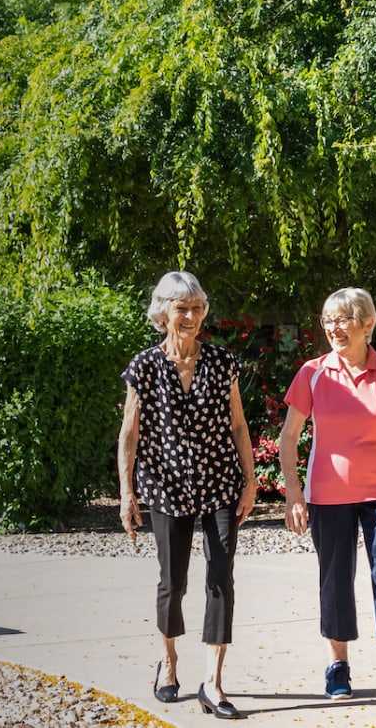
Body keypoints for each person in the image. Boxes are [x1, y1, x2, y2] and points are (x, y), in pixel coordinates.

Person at [278, 287, 376, 702]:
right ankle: (338, 667)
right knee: (335, 579)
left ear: (368, 325)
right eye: (328, 320)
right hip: (327, 495)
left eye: (343, 320)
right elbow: (289, 437)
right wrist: (294, 493)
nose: (333, 328)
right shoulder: (312, 373)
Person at [118, 271, 257, 720]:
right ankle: (170, 663)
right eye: (182, 309)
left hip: (219, 481)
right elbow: (130, 433)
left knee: (221, 577)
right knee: (172, 582)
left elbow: (238, 424)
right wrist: (126, 493)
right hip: (164, 484)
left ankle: (213, 682)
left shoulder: (221, 361)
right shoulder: (144, 366)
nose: (192, 317)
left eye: (197, 308)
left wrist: (251, 480)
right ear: (164, 312)